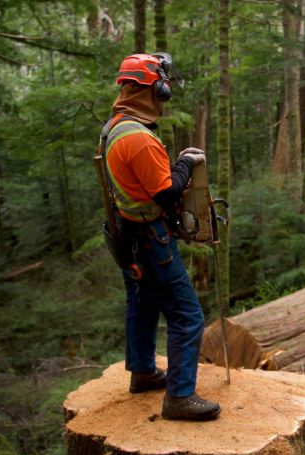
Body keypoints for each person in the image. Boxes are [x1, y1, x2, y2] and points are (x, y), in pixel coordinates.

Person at [99, 53, 220, 421]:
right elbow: (166, 194)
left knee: (142, 304)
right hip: (152, 240)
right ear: (156, 89)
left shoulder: (114, 128)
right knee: (188, 315)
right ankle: (180, 397)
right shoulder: (140, 139)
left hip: (128, 236)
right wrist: (186, 162)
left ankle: (142, 372)